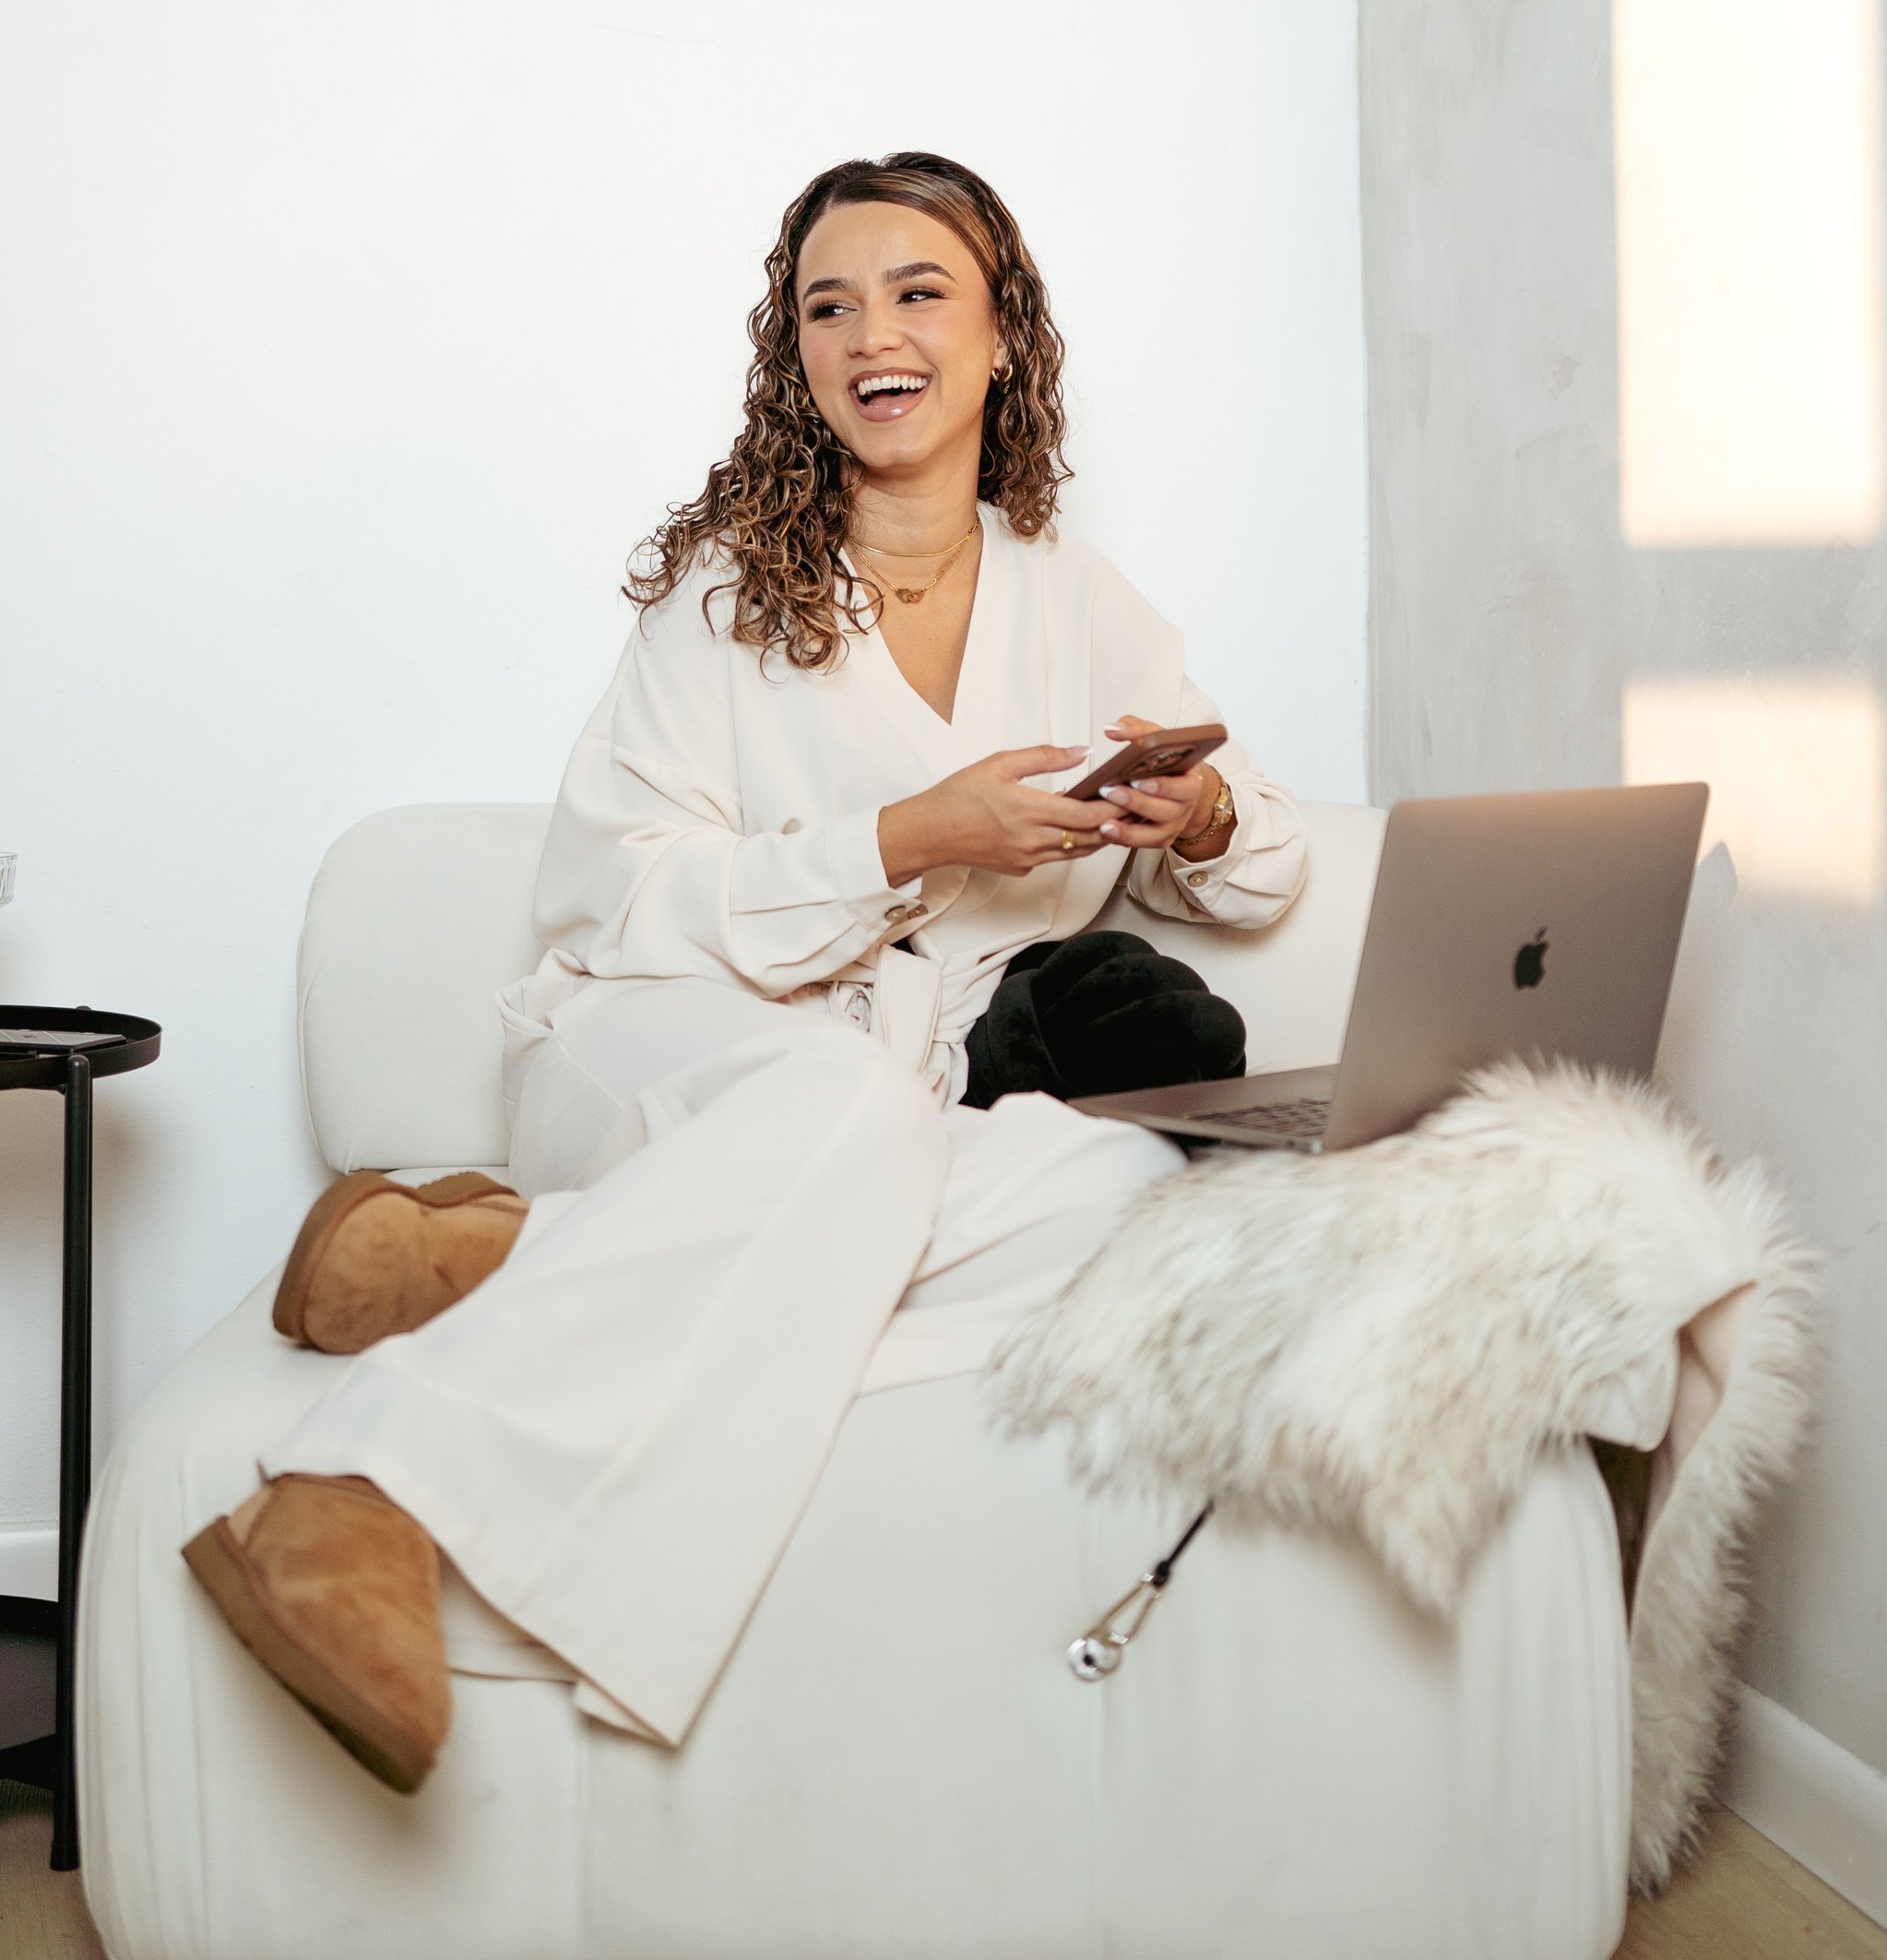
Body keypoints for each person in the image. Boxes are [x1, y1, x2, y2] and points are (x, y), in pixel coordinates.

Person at [184, 152, 1307, 1792]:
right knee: (843, 1107)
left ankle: (527, 1264)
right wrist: (905, 838)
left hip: (893, 1126)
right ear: (796, 357)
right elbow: (613, 904)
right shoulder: (723, 601)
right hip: (661, 1051)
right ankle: (369, 1489)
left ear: (1006, 336)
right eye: (827, 306)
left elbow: (1263, 853)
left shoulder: (1081, 599)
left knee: (1121, 1195)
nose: (872, 333)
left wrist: (1197, 810)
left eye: (918, 291)